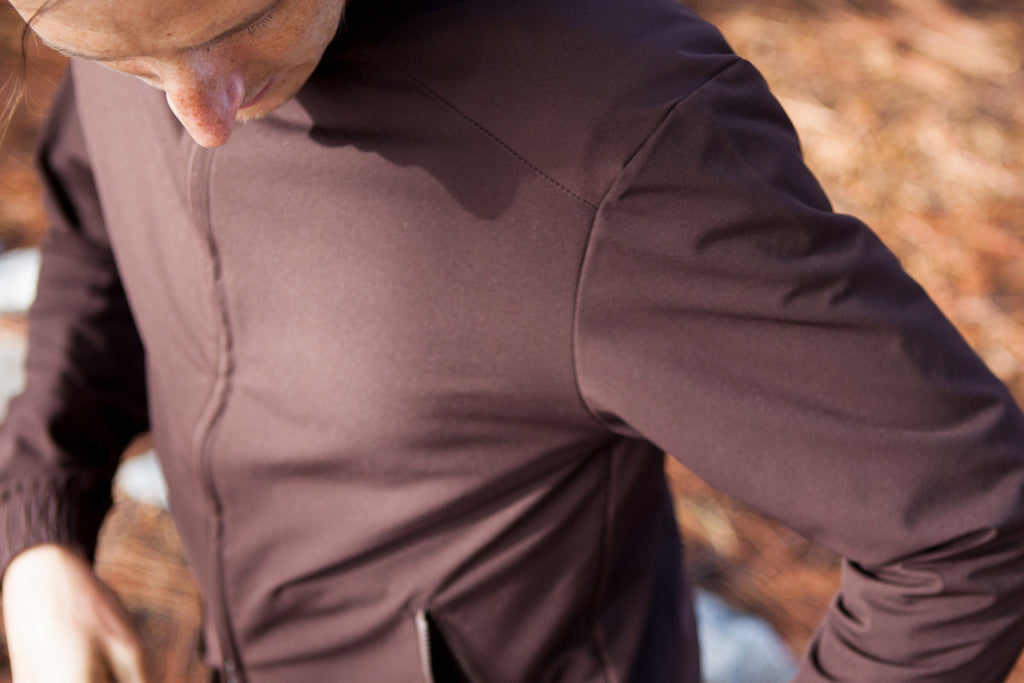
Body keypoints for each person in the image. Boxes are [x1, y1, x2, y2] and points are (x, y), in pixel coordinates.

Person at [2, 0, 1024, 680]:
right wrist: (41, 527)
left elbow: (964, 527)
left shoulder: (610, 138)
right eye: (118, 62)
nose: (200, 114)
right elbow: (96, 221)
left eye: (242, 21)